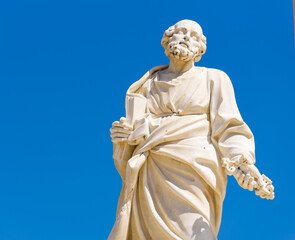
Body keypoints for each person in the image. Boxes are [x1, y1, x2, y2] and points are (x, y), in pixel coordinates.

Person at [108, 20, 274, 240]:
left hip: (195, 167)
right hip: (151, 169)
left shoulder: (214, 78)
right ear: (167, 41)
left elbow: (230, 126)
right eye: (181, 32)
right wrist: (123, 137)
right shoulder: (147, 85)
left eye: (194, 36)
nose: (187, 37)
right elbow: (135, 128)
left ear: (200, 49)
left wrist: (242, 163)